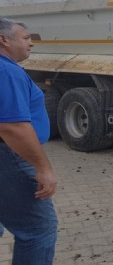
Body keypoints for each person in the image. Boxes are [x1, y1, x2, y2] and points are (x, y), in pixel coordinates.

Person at [0, 17, 58, 265]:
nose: (31, 43)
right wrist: (43, 167)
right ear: (4, 39)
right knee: (38, 230)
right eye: (26, 38)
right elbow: (13, 127)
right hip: (9, 156)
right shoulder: (7, 71)